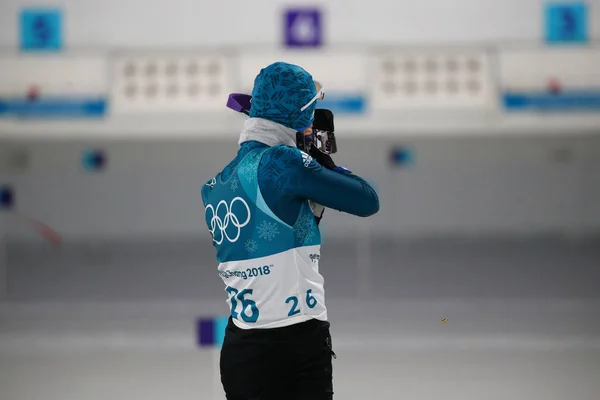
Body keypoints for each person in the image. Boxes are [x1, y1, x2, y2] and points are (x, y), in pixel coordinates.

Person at [201, 61, 380, 400]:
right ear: (296, 118)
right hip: (294, 346)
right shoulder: (284, 164)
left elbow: (291, 227)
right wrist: (324, 160)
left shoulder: (216, 184)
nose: (313, 122)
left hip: (241, 347)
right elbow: (367, 200)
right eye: (310, 113)